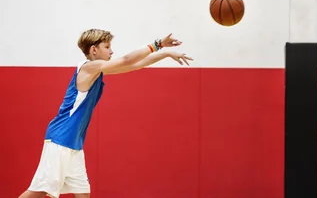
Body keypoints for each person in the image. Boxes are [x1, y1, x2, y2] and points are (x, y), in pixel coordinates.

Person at [19, 29, 193, 198]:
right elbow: (126, 59)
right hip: (60, 139)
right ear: (94, 50)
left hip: (74, 144)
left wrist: (166, 54)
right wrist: (158, 44)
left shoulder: (98, 71)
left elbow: (134, 64)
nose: (112, 51)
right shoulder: (88, 68)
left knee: (82, 193)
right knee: (40, 191)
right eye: (107, 47)